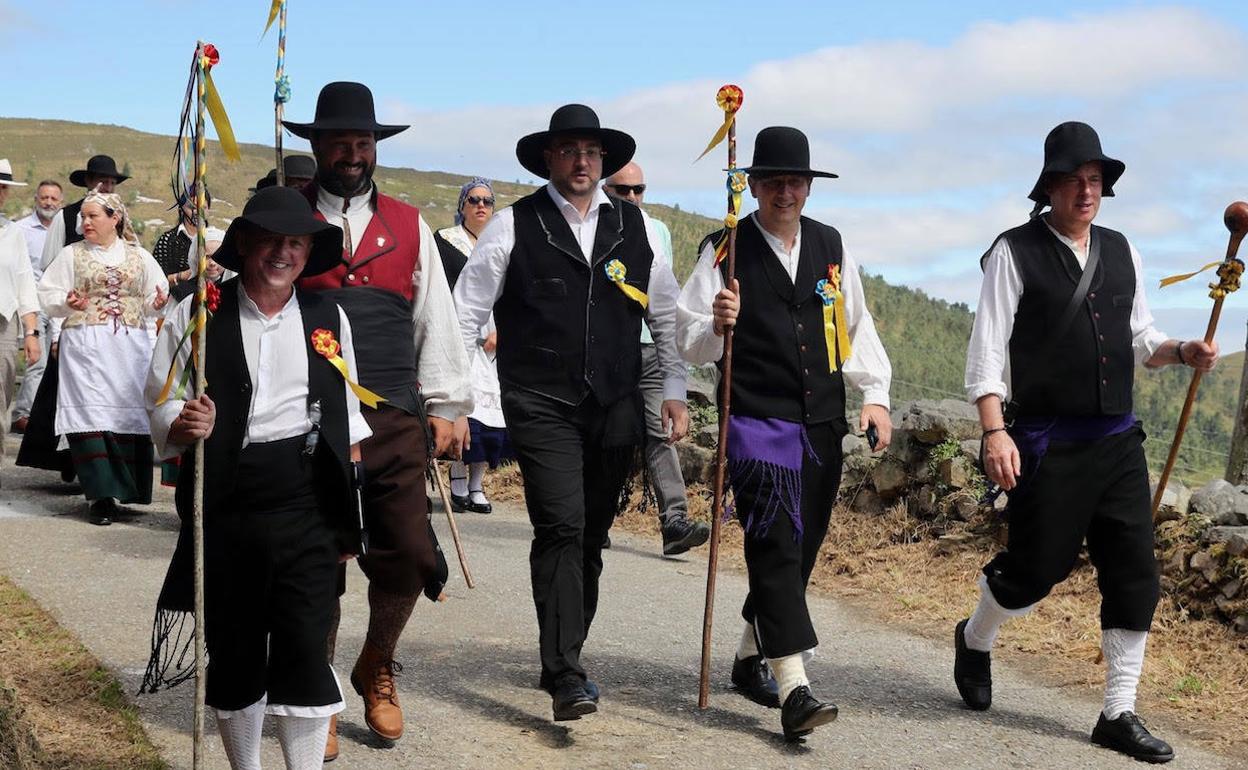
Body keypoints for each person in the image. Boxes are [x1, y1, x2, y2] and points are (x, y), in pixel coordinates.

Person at [958, 122, 1218, 765]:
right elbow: (986, 352)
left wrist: (1182, 351)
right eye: (1074, 180)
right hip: (1047, 442)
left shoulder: (1122, 249)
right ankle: (976, 636)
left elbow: (1141, 338)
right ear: (1049, 187)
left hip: (1117, 440)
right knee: (1033, 573)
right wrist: (994, 430)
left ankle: (1117, 712)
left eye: (1095, 180)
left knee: (1135, 572)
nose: (1086, 191)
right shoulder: (1013, 252)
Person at [455, 104, 689, 721]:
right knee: (560, 525)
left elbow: (664, 314)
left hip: (614, 405)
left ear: (603, 160)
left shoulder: (636, 229)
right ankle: (565, 673)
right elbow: (465, 314)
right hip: (539, 401)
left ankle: (563, 652)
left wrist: (673, 387)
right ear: (549, 158)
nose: (582, 161)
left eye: (591, 151)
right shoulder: (513, 224)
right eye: (569, 150)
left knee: (590, 535)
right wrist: (452, 399)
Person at [677, 126, 893, 742]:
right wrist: (717, 324)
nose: (785, 192)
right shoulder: (725, 248)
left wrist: (874, 395)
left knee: (800, 551)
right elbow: (687, 339)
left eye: (795, 182)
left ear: (808, 187)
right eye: (773, 182)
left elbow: (855, 325)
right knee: (773, 545)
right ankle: (796, 689)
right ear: (753, 187)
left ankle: (750, 657)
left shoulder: (831, 246)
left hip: (820, 424)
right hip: (755, 422)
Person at [143, 186, 370, 769]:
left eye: (295, 243)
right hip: (229, 499)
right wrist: (185, 421)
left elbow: (346, 419)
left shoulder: (328, 317)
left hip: (307, 499)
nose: (282, 253)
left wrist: (350, 515)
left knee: (305, 647)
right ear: (243, 244)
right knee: (236, 646)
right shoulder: (198, 314)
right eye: (269, 239)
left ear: (308, 252)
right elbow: (160, 401)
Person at [284, 81, 471, 758]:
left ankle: (377, 664)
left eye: (362, 142)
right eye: (340, 142)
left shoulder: (408, 223)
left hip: (393, 412)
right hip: (307, 414)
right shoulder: (287, 216)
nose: (352, 154)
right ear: (317, 147)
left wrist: (447, 403)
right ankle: (321, 689)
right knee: (320, 558)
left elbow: (434, 315)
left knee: (410, 553)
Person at [37, 188, 168, 525]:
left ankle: (125, 490)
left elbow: (154, 298)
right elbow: (48, 293)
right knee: (90, 414)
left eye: (93, 216)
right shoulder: (72, 254)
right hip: (85, 348)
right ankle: (100, 495)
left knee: (127, 413)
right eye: (83, 216)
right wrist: (67, 302)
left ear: (115, 218)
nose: (86, 222)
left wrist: (157, 303)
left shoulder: (139, 257)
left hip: (129, 349)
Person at [603, 161, 710, 556]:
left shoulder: (658, 230)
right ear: (606, 190)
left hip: (651, 349)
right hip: (608, 351)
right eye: (623, 190)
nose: (632, 196)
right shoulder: (594, 227)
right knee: (606, 434)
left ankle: (675, 520)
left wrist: (674, 367)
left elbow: (664, 298)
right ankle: (596, 518)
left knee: (659, 431)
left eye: (639, 189)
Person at [20, 155, 129, 481]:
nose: (105, 186)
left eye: (111, 182)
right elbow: (50, 271)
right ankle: (68, 463)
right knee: (66, 395)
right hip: (73, 321)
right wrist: (57, 331)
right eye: (100, 180)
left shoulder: (120, 219)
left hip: (111, 326)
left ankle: (104, 468)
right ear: (87, 182)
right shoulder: (66, 217)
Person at [436, 177, 513, 513]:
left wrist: (504, 329)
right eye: (474, 200)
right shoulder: (445, 242)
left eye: (487, 201)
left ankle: (477, 483)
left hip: (494, 340)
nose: (481, 206)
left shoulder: (501, 244)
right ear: (462, 206)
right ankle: (457, 477)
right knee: (462, 408)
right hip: (459, 332)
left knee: (490, 417)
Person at [0, 161, 42, 479]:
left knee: (1, 396)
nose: (0, 194)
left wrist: (32, 332)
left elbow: (25, 282)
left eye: (3, 189)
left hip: (3, 322)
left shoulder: (12, 232)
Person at [11, 179, 62, 433]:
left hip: (59, 304)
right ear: (36, 199)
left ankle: (46, 415)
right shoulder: (20, 230)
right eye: (44, 197)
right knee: (37, 360)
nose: (49, 203)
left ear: (60, 202)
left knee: (59, 362)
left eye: (53, 199)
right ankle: (23, 414)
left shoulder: (64, 230)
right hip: (34, 303)